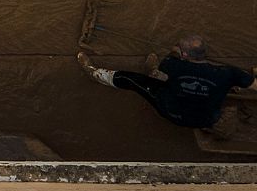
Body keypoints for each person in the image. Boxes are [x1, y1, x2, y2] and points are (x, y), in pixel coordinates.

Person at [78, 34, 254, 129]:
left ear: (184, 55)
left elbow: (172, 59)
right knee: (224, 89)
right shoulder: (228, 73)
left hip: (172, 110)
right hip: (208, 119)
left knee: (131, 79)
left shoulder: (173, 64)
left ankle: (94, 73)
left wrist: (173, 51)